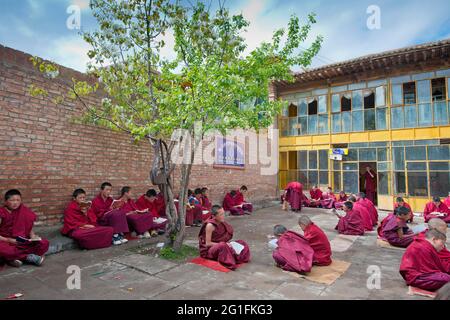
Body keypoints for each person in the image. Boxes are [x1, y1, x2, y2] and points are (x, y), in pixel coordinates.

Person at [0, 189, 49, 267]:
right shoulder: (1, 212)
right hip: (4, 240)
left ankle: (13, 259)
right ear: (6, 201)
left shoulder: (23, 211)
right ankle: (27, 257)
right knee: (5, 250)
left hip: (20, 240)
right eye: (12, 200)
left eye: (18, 200)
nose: (15, 203)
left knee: (44, 243)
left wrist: (33, 236)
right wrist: (8, 240)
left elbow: (28, 227)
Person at [198, 205, 250, 270]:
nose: (223, 216)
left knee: (242, 242)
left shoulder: (221, 222)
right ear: (214, 216)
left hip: (221, 245)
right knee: (223, 245)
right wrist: (225, 244)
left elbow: (225, 237)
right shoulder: (210, 225)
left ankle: (238, 257)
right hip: (209, 251)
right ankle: (230, 261)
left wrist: (228, 244)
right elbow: (208, 243)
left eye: (223, 213)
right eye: (221, 214)